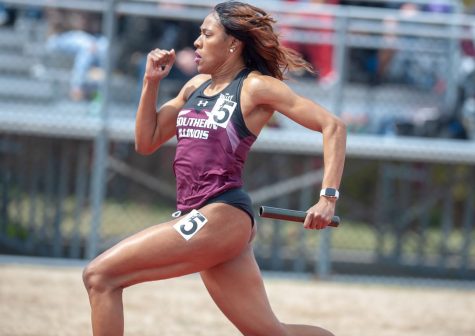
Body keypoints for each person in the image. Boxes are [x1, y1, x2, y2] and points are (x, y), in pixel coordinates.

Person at [82, 2, 346, 335]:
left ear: (233, 43)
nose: (196, 42)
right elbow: (146, 141)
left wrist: (327, 198)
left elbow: (333, 126)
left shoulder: (255, 87)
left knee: (100, 276)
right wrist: (150, 82)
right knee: (269, 332)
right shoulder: (195, 87)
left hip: (222, 214)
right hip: (201, 216)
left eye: (207, 34)